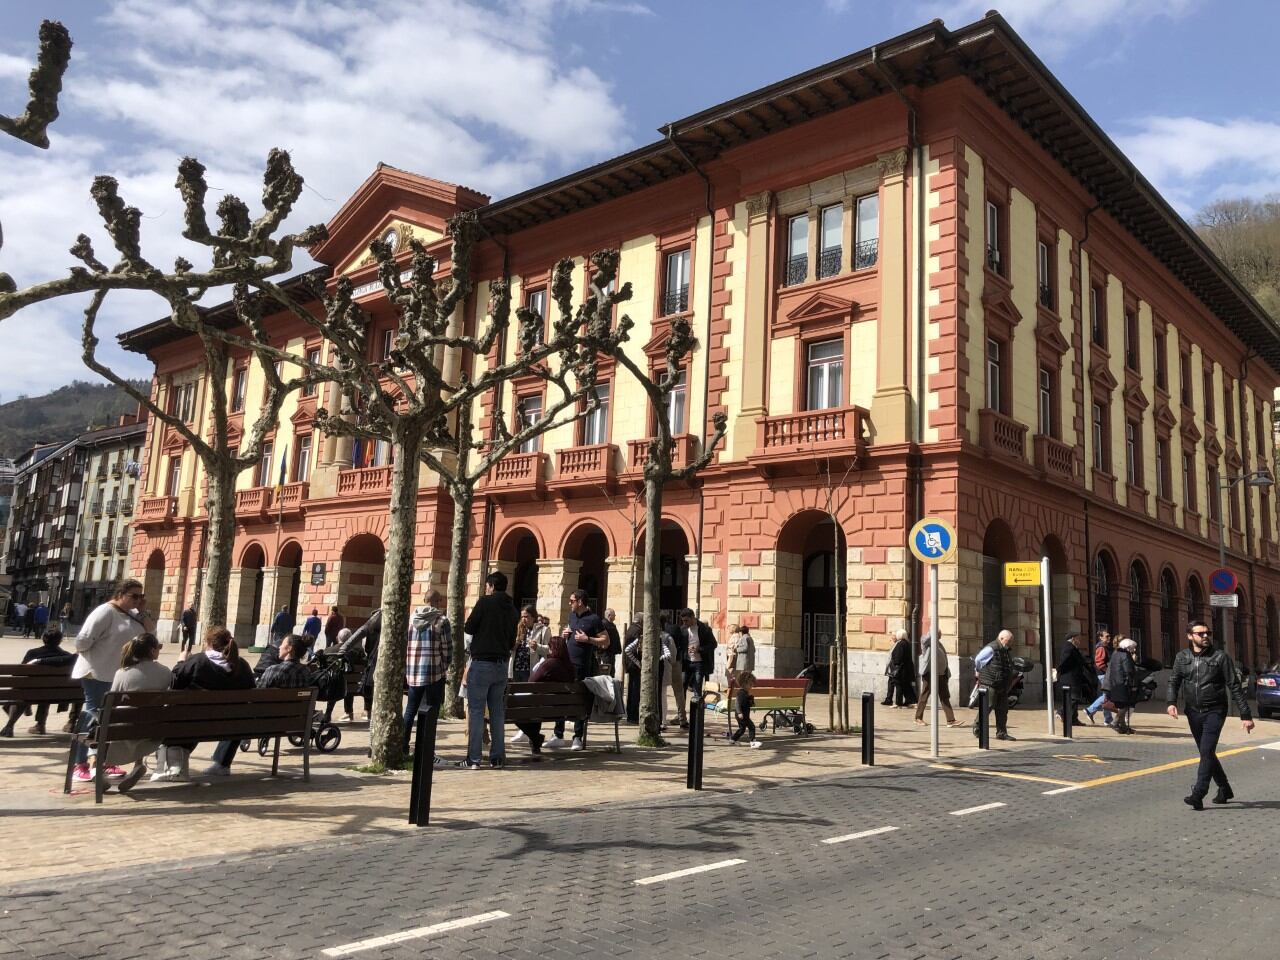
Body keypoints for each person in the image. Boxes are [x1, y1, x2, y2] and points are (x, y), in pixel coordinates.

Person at [69, 579, 155, 784]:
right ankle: (79, 763)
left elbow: (150, 634)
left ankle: (103, 760)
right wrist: (99, 654)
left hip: (116, 674)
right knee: (92, 715)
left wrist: (143, 611)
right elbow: (82, 641)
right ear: (121, 593)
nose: (138, 599)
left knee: (110, 718)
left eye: (141, 596)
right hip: (96, 671)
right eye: (134, 595)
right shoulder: (105, 612)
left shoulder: (135, 616)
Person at [1168, 620, 1254, 810]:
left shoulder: (1220, 657)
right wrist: (1171, 702)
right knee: (1206, 752)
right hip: (1192, 711)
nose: (1206, 636)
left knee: (1206, 751)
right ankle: (1224, 789)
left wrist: (1245, 715)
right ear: (1190, 636)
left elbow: (1234, 686)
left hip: (1215, 710)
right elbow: (1174, 680)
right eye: (1201, 633)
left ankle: (1198, 793)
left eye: (1208, 633)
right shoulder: (1182, 657)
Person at [166, 627, 257, 780]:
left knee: (189, 715)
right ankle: (222, 763)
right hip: (234, 725)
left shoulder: (198, 661)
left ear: (208, 642)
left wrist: (181, 661)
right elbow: (252, 690)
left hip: (195, 723)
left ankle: (178, 764)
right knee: (235, 715)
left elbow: (175, 683)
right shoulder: (242, 665)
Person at [462, 571, 518, 768]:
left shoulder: (485, 602)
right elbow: (513, 639)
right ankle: (497, 757)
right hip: (501, 664)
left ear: (492, 586)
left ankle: (474, 758)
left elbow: (468, 628)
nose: (486, 589)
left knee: (476, 711)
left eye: (487, 586)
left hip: (482, 661)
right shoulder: (512, 608)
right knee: (497, 712)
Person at [104, 634, 172, 792]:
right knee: (144, 716)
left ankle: (97, 768)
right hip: (153, 729)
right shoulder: (165, 672)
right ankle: (138, 764)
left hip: (123, 729)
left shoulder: (123, 673)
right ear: (152, 651)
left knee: (104, 722)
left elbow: (111, 703)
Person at [546, 589, 608, 751]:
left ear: (580, 602)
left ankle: (577, 737)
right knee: (561, 698)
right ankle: (558, 735)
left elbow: (605, 641)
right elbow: (568, 634)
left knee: (579, 700)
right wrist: (565, 634)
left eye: (572, 600)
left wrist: (588, 639)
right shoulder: (572, 617)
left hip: (582, 666)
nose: (569, 603)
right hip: (565, 664)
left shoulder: (594, 619)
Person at [0, 628, 76, 737]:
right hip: (57, 694)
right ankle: (41, 724)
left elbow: (19, 675)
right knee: (45, 690)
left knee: (22, 692)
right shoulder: (67, 656)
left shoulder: (33, 653)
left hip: (31, 693)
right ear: (60, 641)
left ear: (44, 638)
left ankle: (9, 726)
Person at [404, 591, 451, 762]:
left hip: (413, 672)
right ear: (437, 601)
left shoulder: (410, 619)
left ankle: (403, 747)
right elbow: (447, 649)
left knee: (410, 710)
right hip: (434, 673)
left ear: (424, 600)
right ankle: (425, 750)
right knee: (431, 712)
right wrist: (445, 666)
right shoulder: (441, 620)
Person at [512, 634, 576, 754]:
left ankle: (535, 737)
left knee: (513, 708)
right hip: (564, 709)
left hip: (545, 707)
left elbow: (531, 682)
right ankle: (535, 742)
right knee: (537, 705)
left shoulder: (549, 664)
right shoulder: (570, 666)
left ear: (552, 648)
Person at [972, 629, 1016, 741]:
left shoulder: (1005, 650)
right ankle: (977, 728)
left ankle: (1001, 733)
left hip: (1001, 685)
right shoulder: (991, 648)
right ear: (1001, 639)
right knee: (987, 706)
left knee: (1002, 709)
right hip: (990, 683)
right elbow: (978, 660)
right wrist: (978, 671)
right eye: (1009, 640)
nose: (1011, 643)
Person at [914, 633, 963, 726]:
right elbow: (924, 640)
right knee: (924, 696)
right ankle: (918, 718)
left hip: (941, 674)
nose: (940, 635)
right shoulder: (927, 643)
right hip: (930, 674)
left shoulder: (939, 643)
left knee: (945, 697)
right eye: (938, 633)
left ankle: (951, 720)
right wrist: (932, 632)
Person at [1056, 631, 1096, 727]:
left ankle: (1073, 719)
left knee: (1076, 698)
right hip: (1070, 678)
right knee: (1073, 698)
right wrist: (1059, 671)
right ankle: (1061, 711)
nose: (1080, 641)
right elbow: (1064, 661)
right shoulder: (1069, 647)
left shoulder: (1072, 647)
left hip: (1074, 677)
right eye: (1078, 639)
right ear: (1073, 638)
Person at [676, 607, 717, 699]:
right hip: (686, 662)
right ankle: (681, 712)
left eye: (686, 620)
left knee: (697, 687)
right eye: (683, 621)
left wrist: (700, 649)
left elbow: (713, 644)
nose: (684, 623)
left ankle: (697, 711)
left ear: (693, 617)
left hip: (700, 663)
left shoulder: (704, 628)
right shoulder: (683, 629)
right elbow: (679, 645)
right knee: (682, 686)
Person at [1106, 637, 1140, 734]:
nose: (1134, 650)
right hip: (1123, 684)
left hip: (1116, 683)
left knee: (1122, 705)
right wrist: (1133, 661)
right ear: (1128, 647)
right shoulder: (1126, 655)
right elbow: (1128, 670)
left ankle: (1123, 726)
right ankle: (1115, 722)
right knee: (1125, 705)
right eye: (1133, 647)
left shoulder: (1116, 654)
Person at [1084, 630, 1115, 725]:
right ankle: (1090, 710)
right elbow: (1099, 663)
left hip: (1104, 674)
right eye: (1107, 636)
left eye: (1109, 636)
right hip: (1103, 675)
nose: (1109, 638)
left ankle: (1107, 719)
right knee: (1107, 696)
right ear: (1101, 637)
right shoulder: (1101, 648)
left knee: (1106, 696)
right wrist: (1108, 672)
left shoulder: (1106, 647)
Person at [883, 629, 916, 707]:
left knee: (899, 686)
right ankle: (908, 701)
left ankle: (898, 702)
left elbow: (898, 657)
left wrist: (895, 663)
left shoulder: (901, 644)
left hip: (900, 669)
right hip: (904, 669)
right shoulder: (906, 643)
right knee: (903, 685)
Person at [730, 671, 762, 748]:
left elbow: (747, 703)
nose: (751, 687)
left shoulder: (745, 693)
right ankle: (753, 742)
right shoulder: (741, 693)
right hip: (741, 715)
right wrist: (739, 712)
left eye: (752, 685)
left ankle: (733, 739)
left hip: (744, 715)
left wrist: (751, 701)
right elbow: (737, 703)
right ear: (744, 683)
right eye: (750, 685)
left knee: (742, 729)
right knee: (752, 727)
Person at [601, 608, 622, 677]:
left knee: (611, 671)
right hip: (606, 653)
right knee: (606, 671)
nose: (615, 616)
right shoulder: (603, 624)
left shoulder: (611, 624)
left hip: (611, 652)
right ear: (609, 615)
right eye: (614, 615)